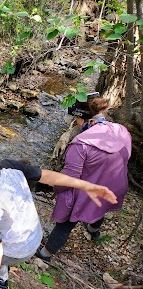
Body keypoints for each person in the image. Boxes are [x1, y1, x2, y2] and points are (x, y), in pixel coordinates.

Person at [0, 142, 118, 289]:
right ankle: (2, 282)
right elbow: (47, 175)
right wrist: (85, 185)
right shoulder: (9, 166)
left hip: (18, 249)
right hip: (34, 237)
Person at [36, 93, 132, 262]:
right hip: (115, 187)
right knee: (99, 206)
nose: (76, 123)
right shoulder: (121, 130)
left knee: (66, 221)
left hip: (88, 193)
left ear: (83, 119)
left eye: (76, 119)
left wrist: (55, 189)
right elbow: (126, 155)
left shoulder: (81, 144)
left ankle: (45, 254)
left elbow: (68, 179)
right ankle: (94, 231)